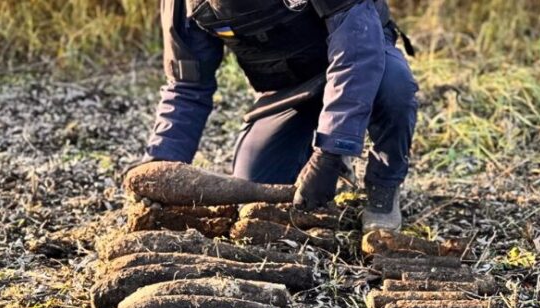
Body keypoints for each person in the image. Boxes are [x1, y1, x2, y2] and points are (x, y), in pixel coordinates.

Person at [142, 0, 418, 230]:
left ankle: (383, 184)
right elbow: (188, 87)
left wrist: (330, 154)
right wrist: (160, 167)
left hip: (360, 59)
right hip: (288, 90)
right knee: (255, 195)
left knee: (395, 86)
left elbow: (356, 56)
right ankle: (310, 150)